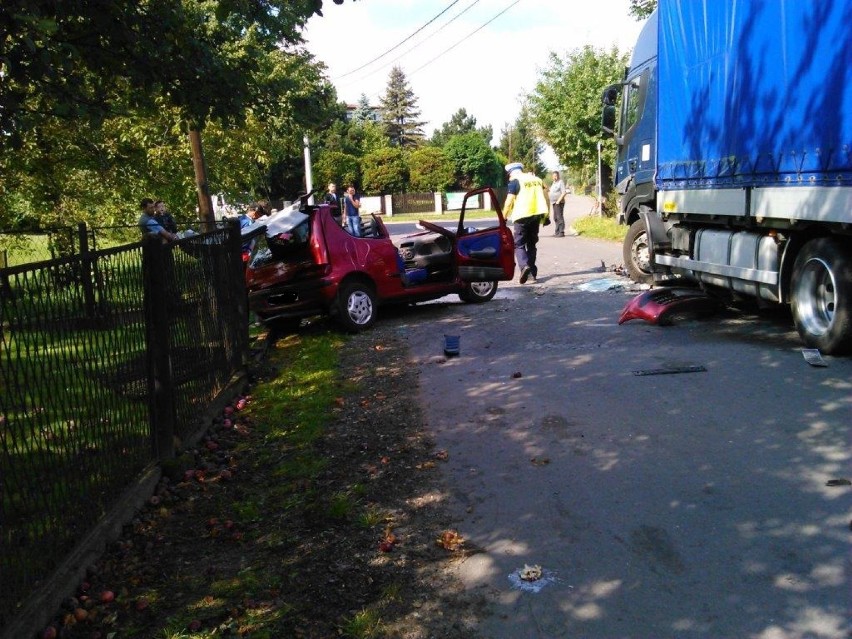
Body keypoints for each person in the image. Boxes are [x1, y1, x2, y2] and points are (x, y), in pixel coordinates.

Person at [503, 162, 549, 284]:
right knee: (532, 244)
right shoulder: (537, 180)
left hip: (521, 216)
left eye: (509, 175)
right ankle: (532, 274)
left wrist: (503, 218)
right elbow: (546, 196)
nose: (509, 177)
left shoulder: (515, 181)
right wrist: (547, 215)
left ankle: (524, 266)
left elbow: (508, 202)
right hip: (536, 215)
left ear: (511, 172)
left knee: (519, 245)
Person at [548, 171, 567, 237]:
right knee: (555, 217)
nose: (555, 177)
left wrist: (558, 201)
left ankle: (561, 232)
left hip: (559, 202)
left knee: (559, 217)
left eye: (556, 176)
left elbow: (564, 192)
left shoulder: (560, 182)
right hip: (554, 202)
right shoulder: (554, 183)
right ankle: (557, 232)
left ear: (558, 176)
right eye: (553, 176)